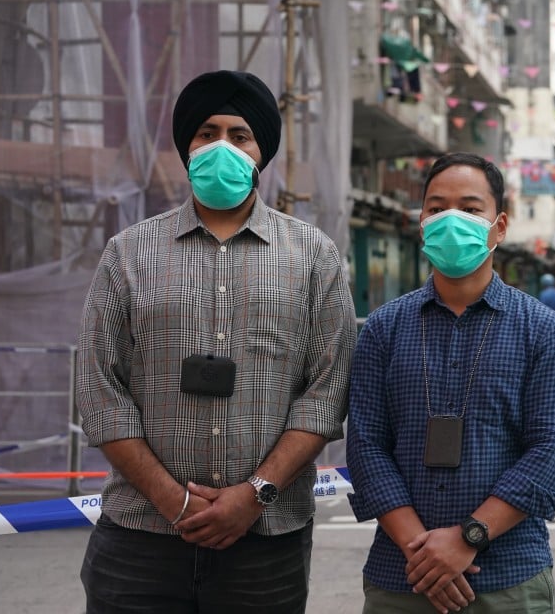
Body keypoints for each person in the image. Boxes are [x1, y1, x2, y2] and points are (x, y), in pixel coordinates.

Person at [75, 70, 357, 613]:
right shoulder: (129, 254)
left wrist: (253, 496)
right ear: (187, 147)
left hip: (265, 543)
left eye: (240, 134)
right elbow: (98, 390)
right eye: (207, 133)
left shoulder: (313, 256)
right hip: (140, 538)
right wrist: (170, 499)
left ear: (261, 151)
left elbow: (327, 392)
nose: (222, 146)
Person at [346, 152, 555, 614]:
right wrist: (425, 552)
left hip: (509, 576)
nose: (451, 219)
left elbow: (551, 450)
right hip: (402, 576)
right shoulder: (382, 328)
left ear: (501, 225)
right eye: (436, 208)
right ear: (421, 223)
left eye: (471, 209)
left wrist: (468, 537)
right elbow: (367, 445)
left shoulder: (542, 329)